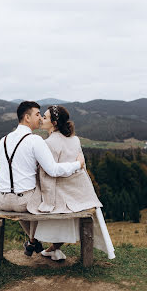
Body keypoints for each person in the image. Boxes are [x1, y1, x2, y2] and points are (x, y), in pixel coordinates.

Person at [0, 101, 85, 256]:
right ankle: (38, 241)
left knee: (25, 196)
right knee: (45, 196)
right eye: (37, 114)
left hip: (1, 199)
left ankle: (33, 242)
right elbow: (53, 170)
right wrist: (77, 164)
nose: (40, 118)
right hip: (23, 201)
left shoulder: (2, 140)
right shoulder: (35, 140)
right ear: (27, 117)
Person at [27, 105, 115, 261]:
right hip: (80, 194)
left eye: (45, 117)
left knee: (32, 204)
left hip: (61, 194)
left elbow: (48, 174)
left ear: (54, 123)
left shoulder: (48, 144)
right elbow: (81, 167)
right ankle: (52, 249)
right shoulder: (75, 140)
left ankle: (33, 242)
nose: (41, 119)